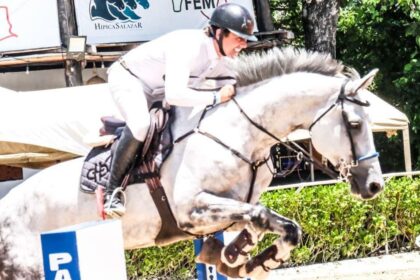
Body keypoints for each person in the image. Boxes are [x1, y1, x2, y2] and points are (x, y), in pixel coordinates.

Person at [104, 3, 258, 218]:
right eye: (239, 38)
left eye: (246, 39)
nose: (243, 45)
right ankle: (112, 192)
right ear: (219, 32)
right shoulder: (188, 46)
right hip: (130, 79)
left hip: (158, 90)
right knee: (141, 124)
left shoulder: (224, 58)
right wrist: (215, 97)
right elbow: (175, 95)